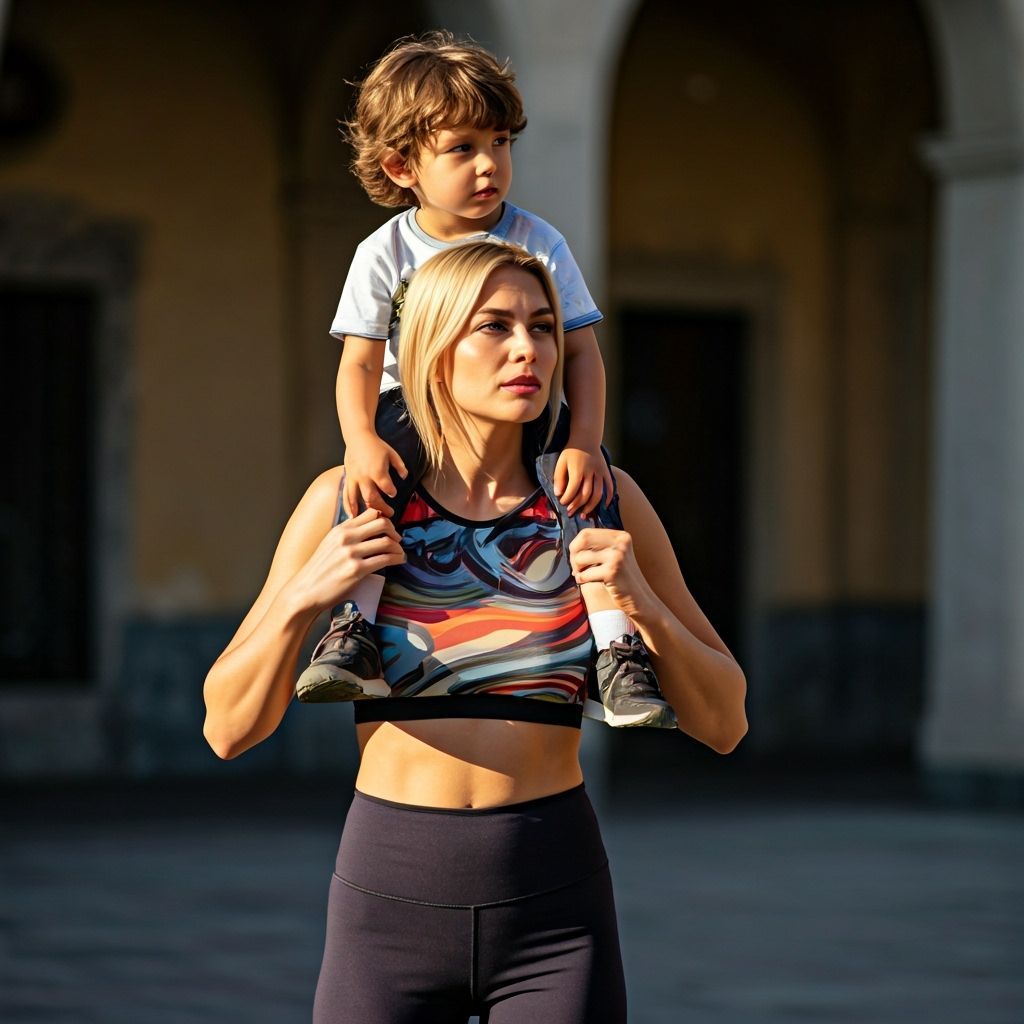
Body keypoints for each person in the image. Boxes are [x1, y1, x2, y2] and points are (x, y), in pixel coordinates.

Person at [202, 241, 748, 1022]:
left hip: (557, 914)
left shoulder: (600, 499)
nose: (528, 348)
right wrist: (305, 597)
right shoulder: (348, 500)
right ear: (431, 350)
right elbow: (226, 726)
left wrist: (644, 607)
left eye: (543, 326)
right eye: (493, 326)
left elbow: (727, 722)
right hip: (385, 912)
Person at [298, 30, 674, 729]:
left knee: (589, 500)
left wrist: (585, 443)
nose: (488, 165)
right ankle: (354, 628)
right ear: (401, 165)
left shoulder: (537, 240)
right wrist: (358, 442)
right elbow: (356, 361)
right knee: (372, 489)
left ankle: (618, 653)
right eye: (462, 148)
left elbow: (583, 354)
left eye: (500, 143)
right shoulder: (385, 251)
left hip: (533, 413)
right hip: (408, 408)